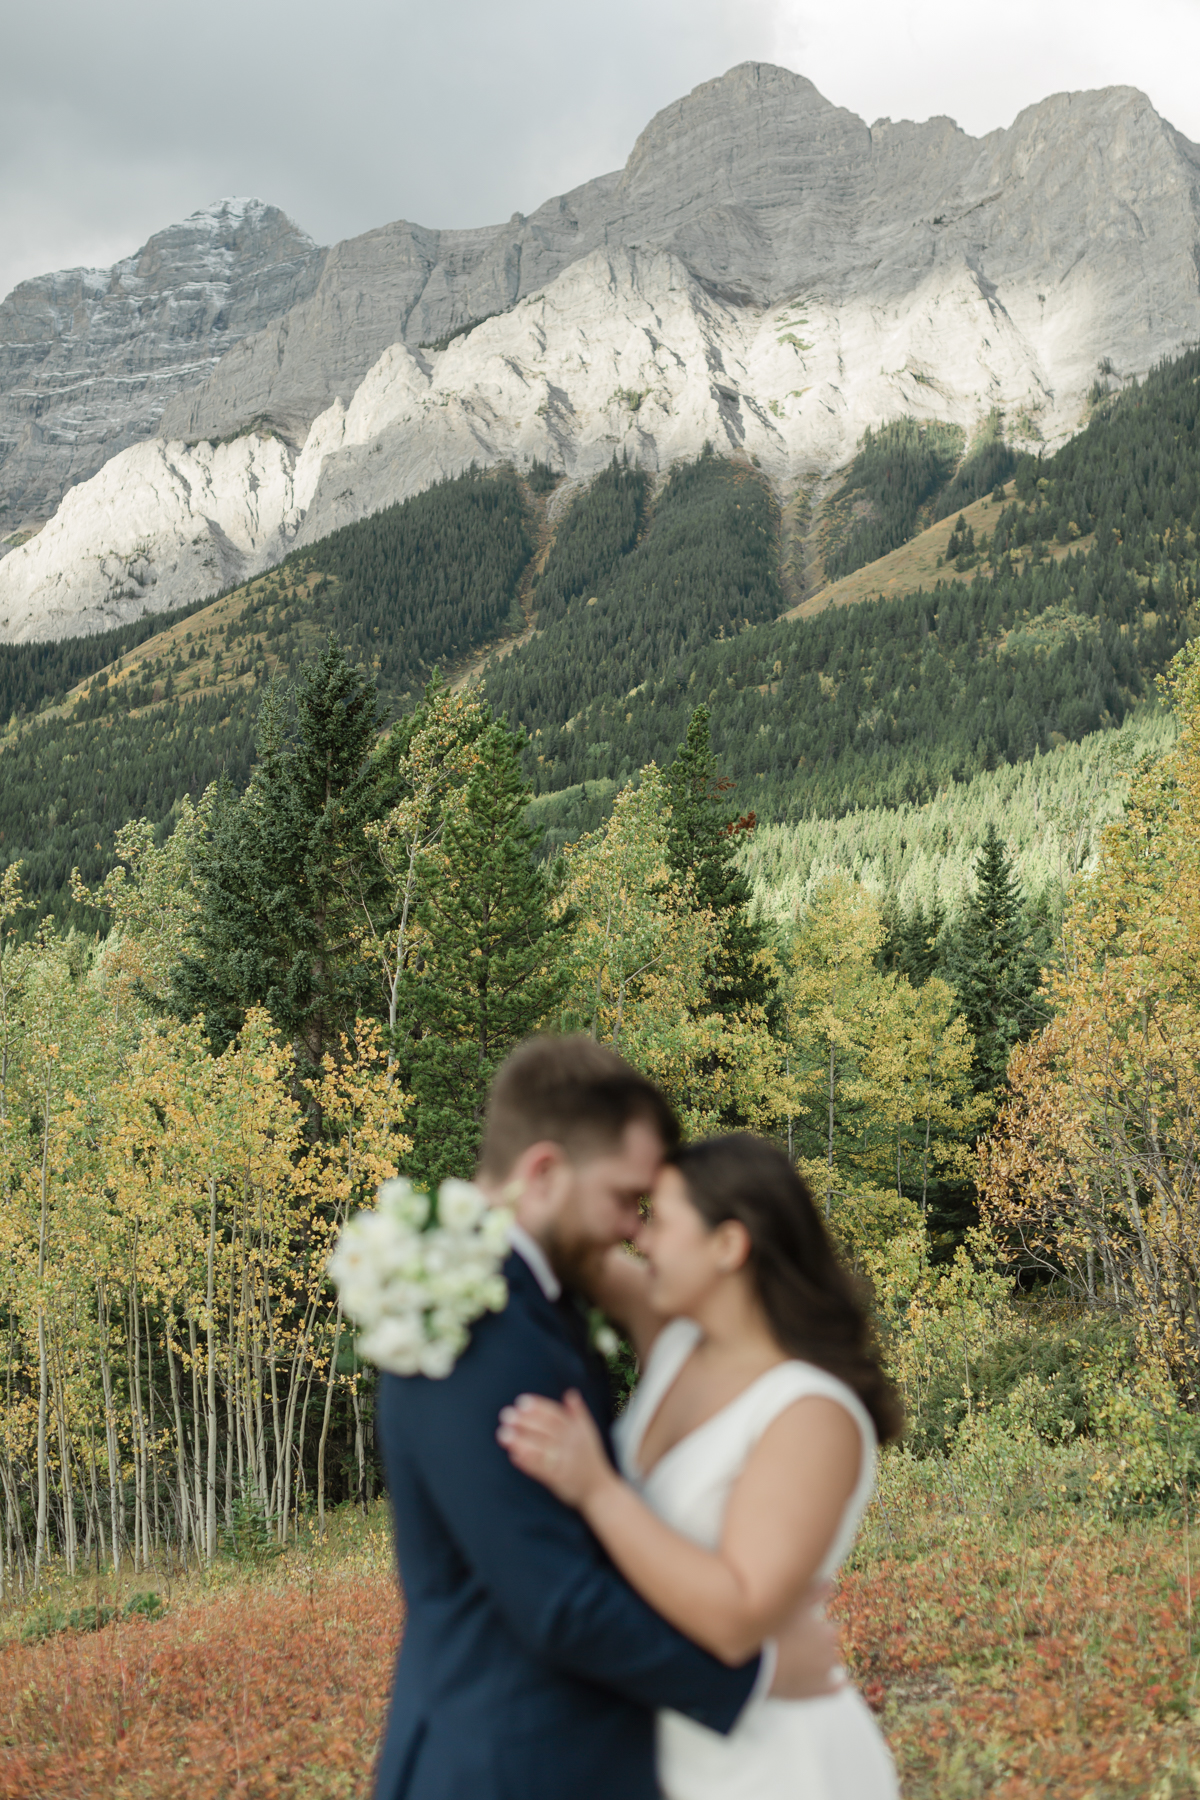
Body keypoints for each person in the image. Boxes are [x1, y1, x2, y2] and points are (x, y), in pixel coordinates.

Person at [373, 1039, 842, 1800]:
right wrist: (754, 1677)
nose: (633, 1227)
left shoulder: (525, 1291)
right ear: (546, 1172)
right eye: (626, 1197)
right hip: (507, 1762)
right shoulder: (470, 1325)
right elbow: (554, 1601)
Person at [497, 1132, 903, 1800]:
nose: (641, 1240)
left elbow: (737, 1615)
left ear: (728, 1245)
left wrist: (596, 1487)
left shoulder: (810, 1413)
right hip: (670, 1750)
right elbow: (557, 1237)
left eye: (659, 1218)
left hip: (779, 1766)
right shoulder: (676, 1339)